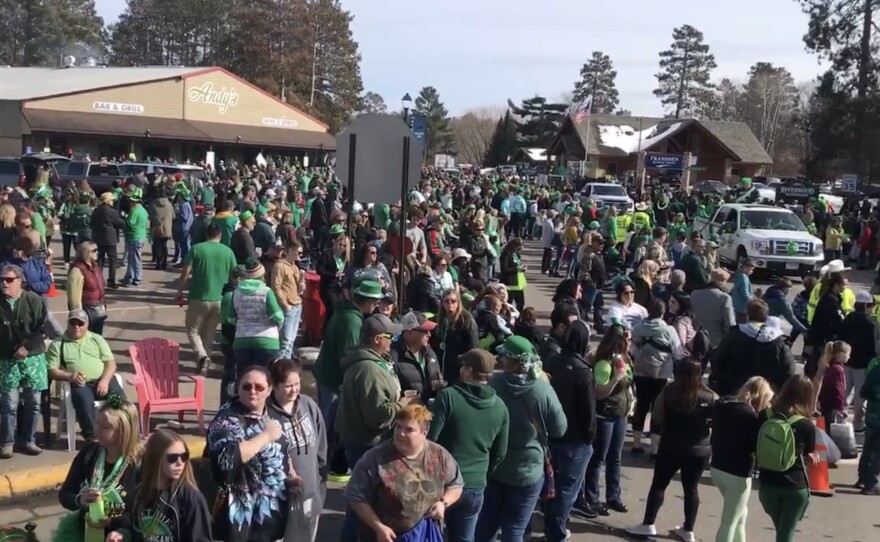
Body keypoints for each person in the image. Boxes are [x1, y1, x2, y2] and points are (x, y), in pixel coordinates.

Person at [475, 336, 567, 542]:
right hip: (527, 471)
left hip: (495, 468)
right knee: (514, 530)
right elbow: (560, 429)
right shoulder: (543, 389)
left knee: (486, 526)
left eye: (504, 356)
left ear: (514, 362)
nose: (500, 359)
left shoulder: (494, 384)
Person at [335, 314, 413, 542]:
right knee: (363, 504)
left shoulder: (371, 363)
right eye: (391, 335)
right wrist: (403, 404)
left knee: (359, 500)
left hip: (360, 442)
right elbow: (377, 416)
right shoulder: (369, 370)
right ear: (378, 339)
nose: (393, 340)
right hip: (367, 444)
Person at [626, 361, 717, 542]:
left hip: (672, 445)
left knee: (659, 484)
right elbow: (716, 422)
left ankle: (648, 524)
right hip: (700, 449)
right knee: (691, 489)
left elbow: (657, 418)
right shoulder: (710, 396)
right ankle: (688, 529)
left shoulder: (669, 392)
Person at [346, 405, 464, 542]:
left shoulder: (439, 455)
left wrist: (443, 503)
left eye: (409, 430)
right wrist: (378, 527)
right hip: (387, 537)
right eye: (398, 427)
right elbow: (356, 497)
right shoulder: (375, 458)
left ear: (424, 434)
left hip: (425, 535)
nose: (401, 433)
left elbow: (456, 485)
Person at [429, 348, 509, 542]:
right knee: (465, 537)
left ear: (468, 371)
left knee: (432, 535)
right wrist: (482, 471)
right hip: (475, 484)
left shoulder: (448, 397)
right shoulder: (500, 407)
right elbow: (500, 453)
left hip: (442, 483)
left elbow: (430, 440)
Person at [206, 366, 288, 542]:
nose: (253, 391)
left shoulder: (273, 414)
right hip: (236, 524)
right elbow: (225, 462)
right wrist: (265, 436)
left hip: (270, 522)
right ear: (237, 388)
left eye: (259, 387)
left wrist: (293, 476)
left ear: (269, 390)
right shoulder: (226, 420)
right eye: (246, 386)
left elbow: (283, 451)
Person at [54, 396, 141, 542]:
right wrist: (79, 499)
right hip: (85, 533)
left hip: (121, 536)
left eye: (105, 427)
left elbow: (145, 515)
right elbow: (65, 494)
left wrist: (112, 522)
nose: (97, 430)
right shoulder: (89, 453)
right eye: (97, 423)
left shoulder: (140, 464)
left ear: (125, 430)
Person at [105, 429, 212, 542]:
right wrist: (123, 535)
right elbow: (137, 529)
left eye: (184, 456)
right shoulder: (141, 493)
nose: (180, 463)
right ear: (155, 459)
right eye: (172, 458)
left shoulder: (191, 498)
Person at [543, 320, 597, 542]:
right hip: (575, 440)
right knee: (568, 489)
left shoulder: (551, 363)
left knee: (551, 487)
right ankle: (557, 533)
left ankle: (551, 529)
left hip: (552, 435)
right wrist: (590, 437)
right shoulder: (583, 372)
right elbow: (589, 412)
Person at [268, 358, 327, 542]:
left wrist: (320, 484)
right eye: (287, 386)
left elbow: (322, 445)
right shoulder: (267, 415)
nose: (294, 390)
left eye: (297, 384)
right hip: (281, 498)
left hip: (311, 491)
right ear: (274, 386)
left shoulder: (308, 404)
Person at [711, 377, 774, 542]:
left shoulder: (724, 406)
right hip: (738, 474)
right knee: (729, 522)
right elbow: (757, 446)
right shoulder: (752, 418)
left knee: (740, 514)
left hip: (717, 467)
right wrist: (767, 415)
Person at [46, 309, 125, 442]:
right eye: (73, 323)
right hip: (80, 383)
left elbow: (110, 364)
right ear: (68, 324)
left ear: (87, 324)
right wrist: (69, 376)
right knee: (83, 402)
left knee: (120, 402)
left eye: (80, 323)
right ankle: (92, 437)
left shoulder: (97, 339)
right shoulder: (58, 344)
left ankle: (122, 431)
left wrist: (104, 381)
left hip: (103, 380)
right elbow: (52, 370)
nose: (76, 326)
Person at [757, 375, 818, 542]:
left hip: (768, 485)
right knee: (785, 534)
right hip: (796, 486)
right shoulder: (806, 425)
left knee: (782, 532)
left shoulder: (765, 415)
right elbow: (809, 452)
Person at [581, 324, 632, 519]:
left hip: (620, 414)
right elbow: (599, 394)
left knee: (615, 457)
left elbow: (629, 387)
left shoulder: (625, 359)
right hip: (605, 416)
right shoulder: (604, 364)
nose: (630, 342)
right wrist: (616, 379)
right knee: (598, 458)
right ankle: (592, 498)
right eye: (627, 339)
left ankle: (613, 496)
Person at [177, 222, 238, 375]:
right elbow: (235, 275)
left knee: (193, 331)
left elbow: (186, 271)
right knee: (209, 333)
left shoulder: (197, 249)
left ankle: (202, 357)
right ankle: (204, 365)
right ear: (220, 235)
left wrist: (180, 290)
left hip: (199, 297)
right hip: (220, 299)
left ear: (207, 234)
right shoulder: (228, 252)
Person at [0, 264, 48, 458]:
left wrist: (26, 347)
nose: (4, 283)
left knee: (33, 402)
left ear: (20, 281)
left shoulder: (34, 301)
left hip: (33, 359)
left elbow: (42, 328)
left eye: (9, 280)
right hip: (6, 360)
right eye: (2, 280)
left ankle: (29, 440)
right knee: (9, 403)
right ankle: (7, 442)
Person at [631, 298, 682, 457]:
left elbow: (632, 348)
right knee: (658, 410)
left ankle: (636, 444)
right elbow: (678, 353)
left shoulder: (638, 328)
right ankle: (654, 449)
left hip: (640, 372)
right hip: (662, 375)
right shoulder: (669, 330)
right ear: (663, 312)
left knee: (641, 407)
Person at [712, 299, 795, 396]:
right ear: (766, 316)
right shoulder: (779, 341)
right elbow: (789, 372)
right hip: (766, 396)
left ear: (748, 315)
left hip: (735, 392)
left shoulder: (734, 335)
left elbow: (718, 362)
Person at [221, 258, 283, 370]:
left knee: (244, 377)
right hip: (267, 341)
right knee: (265, 378)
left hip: (242, 340)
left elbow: (230, 317)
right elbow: (277, 315)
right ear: (262, 275)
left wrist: (242, 323)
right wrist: (279, 324)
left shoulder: (236, 292)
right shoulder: (267, 291)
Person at [839, 290, 880, 432]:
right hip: (863, 364)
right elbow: (875, 345)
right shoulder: (871, 322)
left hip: (847, 361)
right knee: (860, 396)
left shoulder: (848, 318)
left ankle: (840, 420)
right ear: (866, 306)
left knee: (844, 392)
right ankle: (857, 423)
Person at [393, 311, 443, 402]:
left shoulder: (429, 352)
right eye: (425, 331)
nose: (429, 335)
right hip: (409, 413)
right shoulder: (394, 356)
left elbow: (438, 377)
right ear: (409, 333)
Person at [433, 289, 479, 385]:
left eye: (453, 301)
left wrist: (462, 361)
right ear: (442, 303)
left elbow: (473, 347)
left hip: (459, 367)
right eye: (446, 301)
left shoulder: (467, 320)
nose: (450, 304)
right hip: (443, 365)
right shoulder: (441, 319)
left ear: (458, 302)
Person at [270, 238, 305, 359]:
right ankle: (279, 367)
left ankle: (287, 365)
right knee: (285, 341)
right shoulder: (279, 266)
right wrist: (285, 305)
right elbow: (276, 287)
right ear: (290, 251)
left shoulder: (294, 267)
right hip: (288, 306)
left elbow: (299, 289)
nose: (300, 255)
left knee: (291, 341)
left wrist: (301, 283)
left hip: (297, 304)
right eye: (298, 252)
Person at [67, 241, 108, 334]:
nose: (97, 252)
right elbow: (74, 297)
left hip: (98, 309)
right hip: (87, 311)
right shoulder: (77, 270)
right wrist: (78, 317)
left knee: (97, 337)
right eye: (94, 250)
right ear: (86, 252)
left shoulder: (95, 267)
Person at [691, 268, 736, 351]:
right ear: (722, 282)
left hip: (697, 340)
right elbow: (730, 324)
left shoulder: (694, 294)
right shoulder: (724, 298)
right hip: (717, 343)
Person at [90, 192, 125, 289]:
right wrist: (123, 218)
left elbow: (91, 224)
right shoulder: (112, 212)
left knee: (99, 260)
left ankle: (99, 280)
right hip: (110, 239)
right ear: (108, 201)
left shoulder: (96, 211)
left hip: (98, 238)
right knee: (112, 261)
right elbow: (120, 223)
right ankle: (111, 281)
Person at [858, 351, 880, 494]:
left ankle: (862, 477)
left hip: (872, 414)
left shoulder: (875, 370)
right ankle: (872, 483)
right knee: (878, 452)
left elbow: (864, 392)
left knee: (868, 448)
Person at [121, 189, 148, 288]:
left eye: (132, 201)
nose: (130, 202)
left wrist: (124, 219)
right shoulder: (143, 210)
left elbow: (129, 224)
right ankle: (130, 277)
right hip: (140, 236)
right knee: (134, 258)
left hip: (134, 237)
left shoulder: (134, 211)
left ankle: (137, 279)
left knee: (134, 259)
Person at [149, 188, 174, 270]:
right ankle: (165, 263)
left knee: (157, 246)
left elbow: (150, 216)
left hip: (157, 228)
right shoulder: (169, 204)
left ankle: (158, 263)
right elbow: (174, 216)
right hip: (167, 229)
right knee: (164, 246)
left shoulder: (153, 204)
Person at [498, 238, 526, 310]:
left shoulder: (516, 254)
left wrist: (522, 268)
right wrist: (517, 269)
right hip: (509, 284)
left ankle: (518, 319)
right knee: (508, 303)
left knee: (520, 304)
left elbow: (517, 264)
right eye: (519, 248)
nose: (520, 249)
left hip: (518, 284)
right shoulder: (506, 255)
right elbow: (504, 269)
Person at [731, 259, 755, 324]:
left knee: (738, 321)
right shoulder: (744, 279)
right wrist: (752, 300)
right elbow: (745, 294)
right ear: (745, 268)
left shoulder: (738, 276)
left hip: (736, 305)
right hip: (743, 307)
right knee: (743, 324)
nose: (752, 271)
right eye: (751, 269)